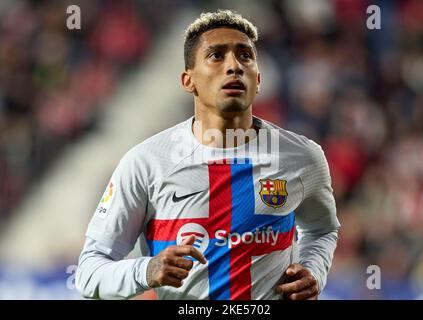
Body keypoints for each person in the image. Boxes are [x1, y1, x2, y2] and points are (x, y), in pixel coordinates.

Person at [75, 9, 340, 300]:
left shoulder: (302, 157)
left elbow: (322, 230)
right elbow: (89, 272)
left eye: (245, 56)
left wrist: (313, 268)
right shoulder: (146, 163)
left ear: (258, 78)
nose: (234, 66)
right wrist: (147, 270)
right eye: (216, 56)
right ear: (188, 81)